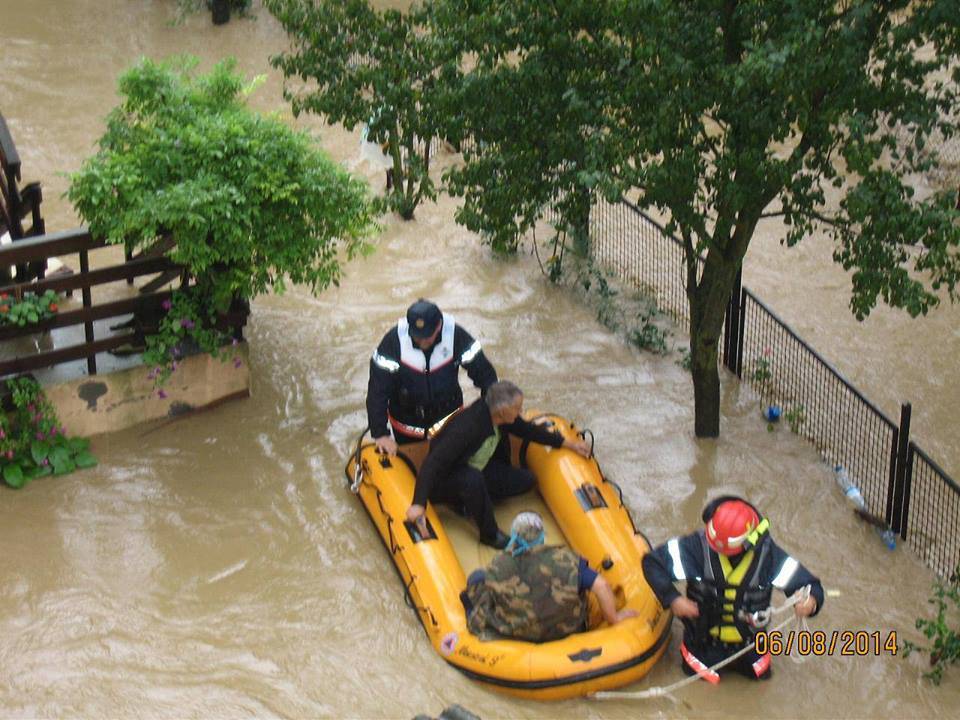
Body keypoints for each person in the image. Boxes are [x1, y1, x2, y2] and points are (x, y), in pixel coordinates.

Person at [642, 496, 824, 681]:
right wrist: (673, 599)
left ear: (748, 543)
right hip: (702, 644)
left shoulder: (769, 557)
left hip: (750, 647)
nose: (718, 552)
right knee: (699, 687)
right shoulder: (695, 547)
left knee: (760, 685)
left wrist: (810, 603)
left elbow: (810, 585)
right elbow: (652, 563)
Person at [406, 381, 590, 548]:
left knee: (527, 480)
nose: (520, 411)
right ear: (502, 410)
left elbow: (529, 431)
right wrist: (418, 503)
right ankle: (490, 535)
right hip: (448, 479)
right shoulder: (467, 427)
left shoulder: (501, 418)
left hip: (479, 468)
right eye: (517, 408)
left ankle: (473, 501)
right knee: (472, 479)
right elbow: (433, 462)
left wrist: (568, 443)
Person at [461, 511, 638, 642]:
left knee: (477, 578)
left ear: (514, 536)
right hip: (567, 629)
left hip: (516, 631)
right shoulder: (567, 560)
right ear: (542, 537)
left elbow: (490, 589)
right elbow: (600, 586)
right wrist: (614, 619)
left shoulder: (498, 565)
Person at [366, 299, 497, 456]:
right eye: (417, 336)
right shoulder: (393, 342)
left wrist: (492, 409)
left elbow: (484, 374)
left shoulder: (456, 336)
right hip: (406, 427)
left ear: (439, 326)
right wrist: (380, 434)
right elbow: (377, 391)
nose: (422, 341)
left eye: (427, 336)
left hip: (448, 422)